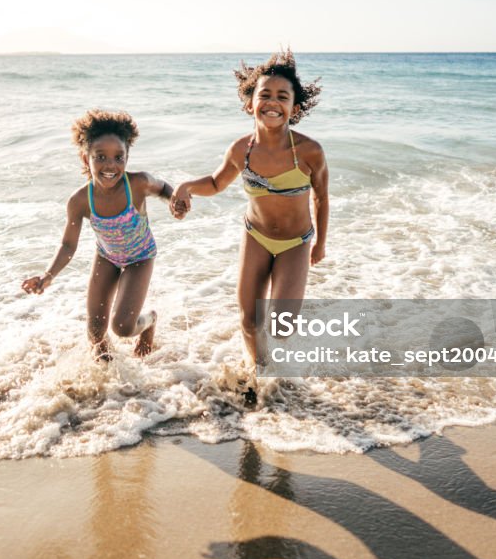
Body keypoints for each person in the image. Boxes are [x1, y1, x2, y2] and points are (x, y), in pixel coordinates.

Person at [170, 49, 328, 369]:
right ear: (249, 103)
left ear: (294, 108)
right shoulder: (242, 149)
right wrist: (187, 187)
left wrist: (320, 243)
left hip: (296, 243)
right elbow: (216, 183)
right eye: (265, 94)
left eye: (282, 96)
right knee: (248, 319)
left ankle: (272, 355)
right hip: (255, 236)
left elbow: (321, 197)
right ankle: (258, 368)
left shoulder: (310, 151)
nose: (273, 101)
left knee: (282, 327)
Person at [22, 109, 174, 360]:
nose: (110, 165)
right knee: (95, 335)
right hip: (107, 257)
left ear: (127, 157)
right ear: (86, 159)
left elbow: (165, 188)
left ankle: (150, 321)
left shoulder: (138, 183)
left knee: (123, 327)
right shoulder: (80, 200)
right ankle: (108, 382)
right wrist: (48, 276)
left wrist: (175, 201)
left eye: (118, 157)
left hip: (141, 257)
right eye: (100, 157)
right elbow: (68, 245)